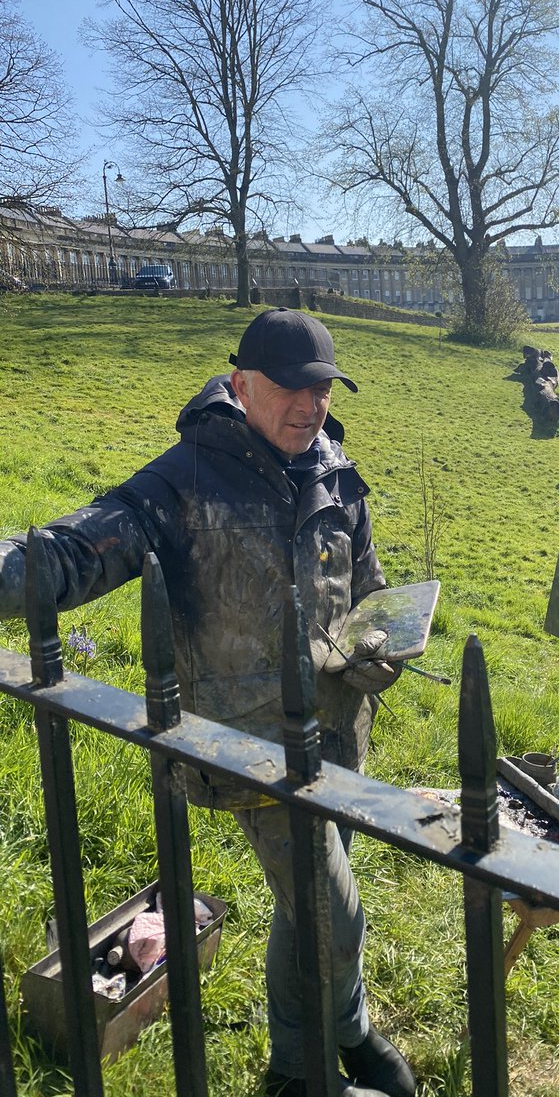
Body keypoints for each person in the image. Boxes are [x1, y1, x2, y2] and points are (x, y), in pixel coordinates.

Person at [0, 308, 416, 1097]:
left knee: (306, 911)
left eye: (322, 389)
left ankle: (294, 1069)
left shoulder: (334, 471)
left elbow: (371, 591)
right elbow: (71, 552)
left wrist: (381, 649)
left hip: (336, 737)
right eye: (290, 388)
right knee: (332, 913)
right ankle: (352, 1034)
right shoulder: (184, 480)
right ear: (240, 385)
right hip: (248, 745)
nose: (309, 405)